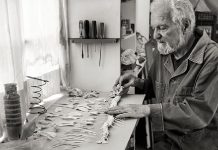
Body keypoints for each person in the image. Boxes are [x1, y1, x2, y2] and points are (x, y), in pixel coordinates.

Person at [105, 0, 218, 149]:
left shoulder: (212, 57)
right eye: (154, 28)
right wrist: (136, 82)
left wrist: (147, 109)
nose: (155, 36)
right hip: (164, 139)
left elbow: (197, 113)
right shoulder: (165, 50)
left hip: (194, 145)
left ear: (184, 25)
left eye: (162, 28)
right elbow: (154, 85)